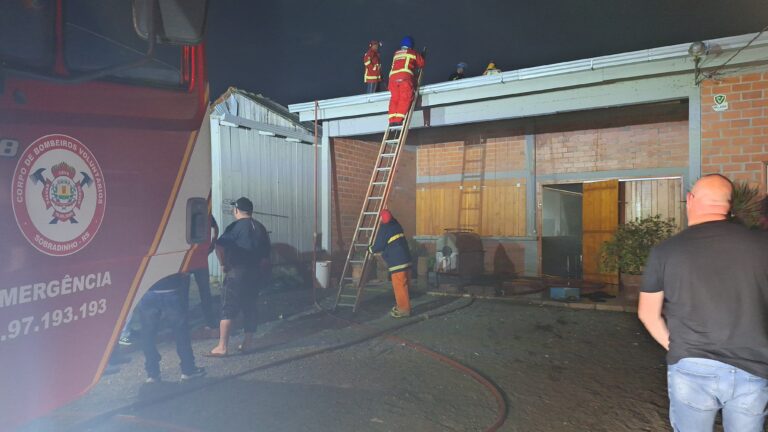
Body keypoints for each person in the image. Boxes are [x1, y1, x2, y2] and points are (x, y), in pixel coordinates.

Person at [638, 174, 768, 432]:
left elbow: (648, 313)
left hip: (692, 365)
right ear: (729, 204)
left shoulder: (666, 251)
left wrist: (681, 348)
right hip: (754, 365)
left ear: (690, 199)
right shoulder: (762, 245)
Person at [207, 197, 270, 356]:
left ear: (236, 210)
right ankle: (247, 344)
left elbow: (219, 246)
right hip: (254, 273)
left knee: (228, 307)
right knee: (250, 307)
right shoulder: (260, 228)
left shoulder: (235, 227)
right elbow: (265, 258)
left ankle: (222, 346)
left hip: (237, 272)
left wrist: (223, 264)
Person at [138, 274, 206, 382]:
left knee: (148, 335)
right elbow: (184, 272)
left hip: (149, 291)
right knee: (181, 333)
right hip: (171, 289)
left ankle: (152, 373)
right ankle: (188, 369)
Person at [369, 209, 413, 318]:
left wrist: (370, 249)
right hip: (406, 259)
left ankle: (403, 310)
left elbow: (379, 245)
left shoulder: (384, 228)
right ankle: (404, 305)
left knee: (399, 286)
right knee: (405, 285)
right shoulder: (396, 224)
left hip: (397, 262)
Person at [188, 215, 220, 337]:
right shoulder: (205, 212)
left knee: (183, 294)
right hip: (201, 259)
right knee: (205, 292)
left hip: (187, 260)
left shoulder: (185, 213)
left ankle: (184, 324)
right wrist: (213, 243)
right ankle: (210, 322)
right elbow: (216, 228)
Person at [387, 36, 425, 126]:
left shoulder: (396, 53)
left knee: (395, 98)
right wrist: (422, 56)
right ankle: (398, 120)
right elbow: (421, 63)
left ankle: (392, 120)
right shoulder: (412, 52)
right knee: (405, 97)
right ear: (411, 45)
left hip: (392, 79)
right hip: (404, 78)